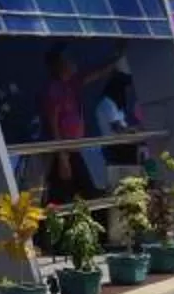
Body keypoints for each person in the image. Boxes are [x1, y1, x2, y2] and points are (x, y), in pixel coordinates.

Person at [40, 45, 120, 198]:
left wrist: (116, 57)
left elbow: (97, 73)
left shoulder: (72, 83)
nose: (73, 61)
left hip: (74, 149)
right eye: (67, 59)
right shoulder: (53, 89)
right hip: (62, 152)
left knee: (77, 191)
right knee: (69, 192)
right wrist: (62, 156)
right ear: (59, 65)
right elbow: (53, 124)